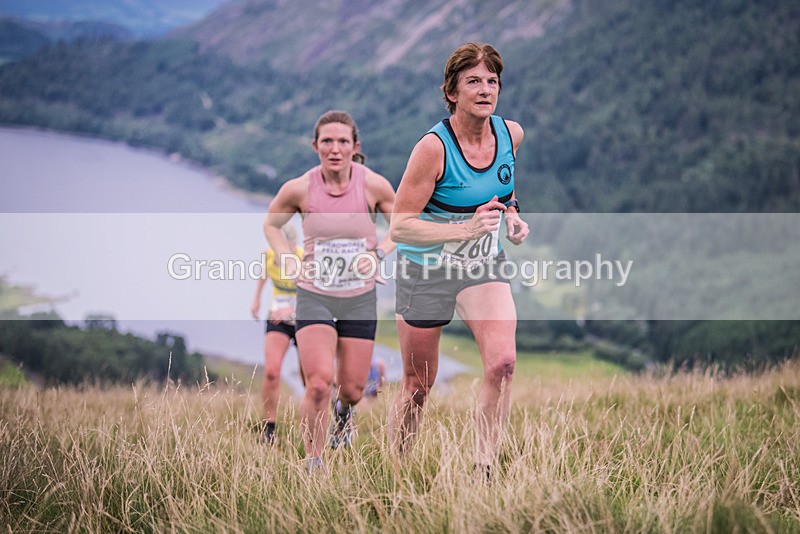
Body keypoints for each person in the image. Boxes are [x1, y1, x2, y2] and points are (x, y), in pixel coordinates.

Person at [388, 43, 529, 477]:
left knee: (503, 363)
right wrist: (463, 229)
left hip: (481, 263)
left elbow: (500, 197)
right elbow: (399, 226)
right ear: (451, 91)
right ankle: (397, 470)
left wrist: (513, 217)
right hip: (425, 269)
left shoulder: (511, 134)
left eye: (492, 81)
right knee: (417, 387)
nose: (485, 89)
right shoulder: (433, 149)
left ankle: (482, 470)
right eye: (473, 81)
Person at [263, 110, 395, 470]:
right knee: (318, 384)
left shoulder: (373, 185)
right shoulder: (300, 188)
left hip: (359, 297)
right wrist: (288, 257)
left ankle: (343, 413)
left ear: (355, 146)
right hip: (314, 295)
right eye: (327, 142)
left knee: (351, 390)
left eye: (342, 142)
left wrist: (378, 253)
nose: (334, 149)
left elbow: (401, 224)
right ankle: (313, 461)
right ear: (315, 146)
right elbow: (272, 225)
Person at [250, 224, 304, 445]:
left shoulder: (304, 258)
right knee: (272, 371)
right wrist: (257, 299)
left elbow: (314, 293)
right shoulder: (268, 256)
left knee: (309, 378)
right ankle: (269, 427)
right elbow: (263, 276)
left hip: (303, 318)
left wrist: (292, 310)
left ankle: (318, 422)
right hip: (277, 319)